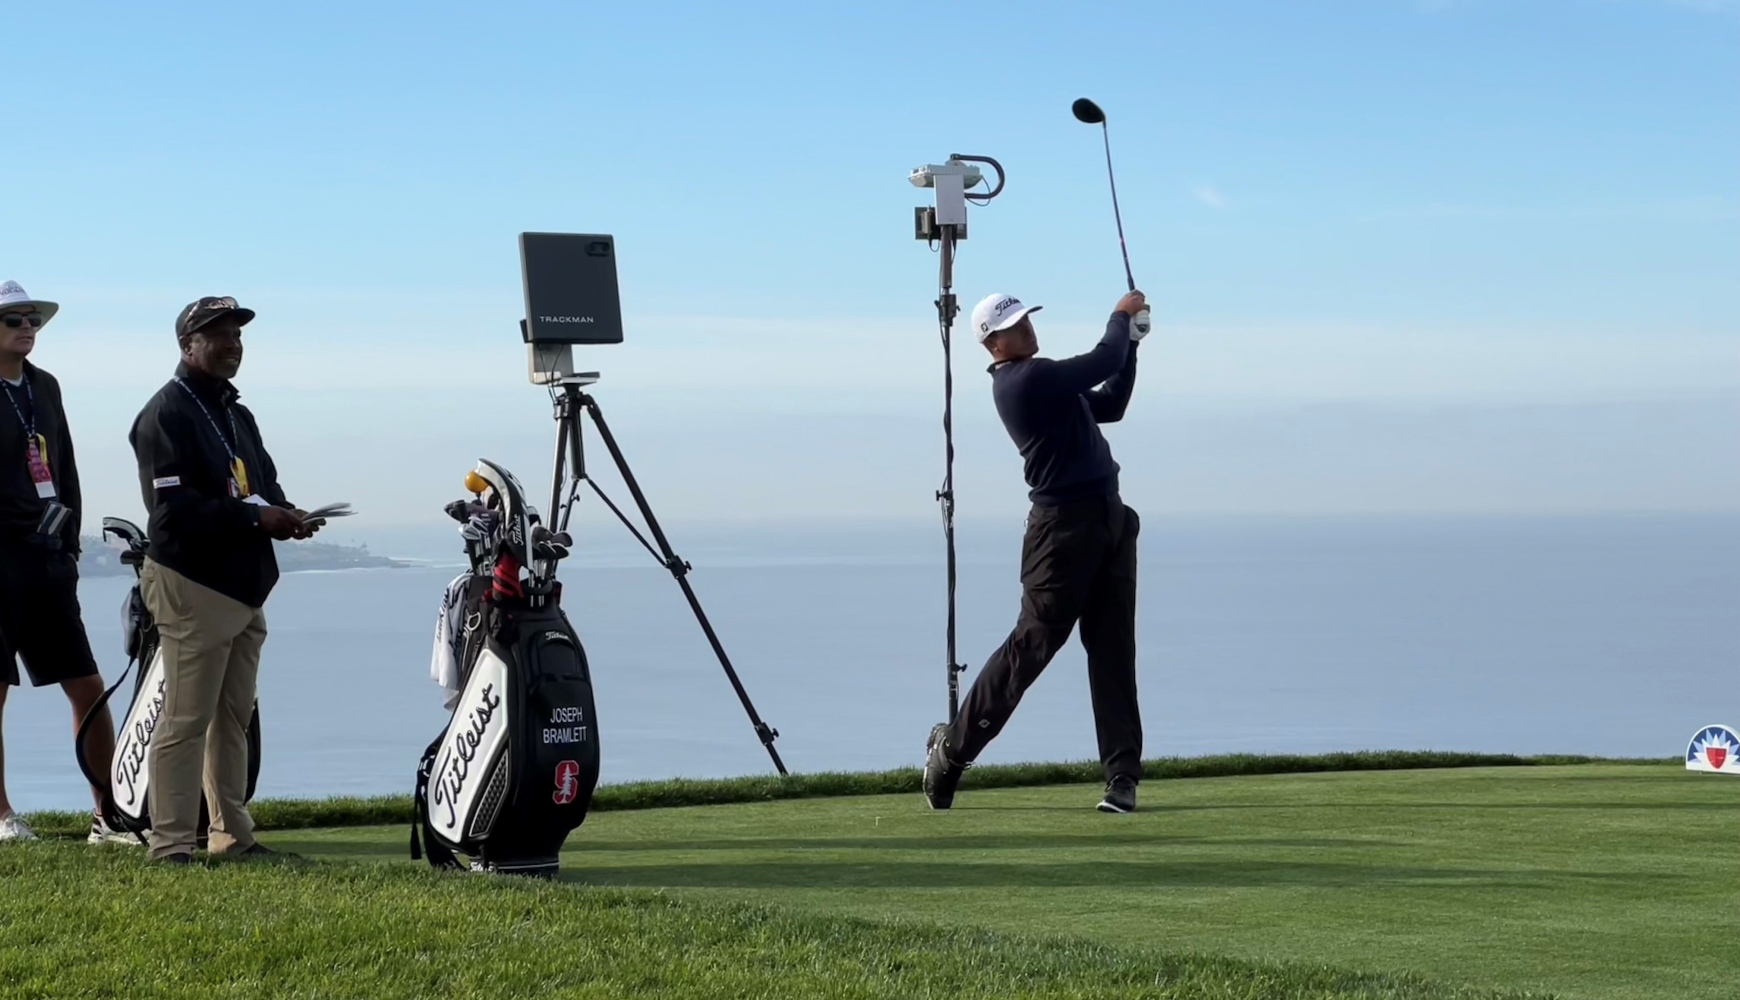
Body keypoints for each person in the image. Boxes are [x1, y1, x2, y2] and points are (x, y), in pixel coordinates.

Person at [924, 289, 1150, 814]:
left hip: (1109, 520)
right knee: (1030, 649)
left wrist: (1132, 343)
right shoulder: (1025, 381)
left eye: (1026, 319)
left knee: (1114, 650)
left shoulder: (1046, 383)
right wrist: (1121, 317)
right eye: (1014, 325)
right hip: (1061, 533)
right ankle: (952, 753)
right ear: (992, 343)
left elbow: (1111, 402)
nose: (1026, 328)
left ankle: (1122, 777)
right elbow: (1102, 360)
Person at [128, 296, 319, 864]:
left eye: (237, 334)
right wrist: (256, 518)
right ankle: (169, 845)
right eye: (218, 334)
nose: (232, 343)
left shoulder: (236, 412)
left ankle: (232, 837)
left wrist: (287, 514)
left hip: (242, 585)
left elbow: (261, 483)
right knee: (187, 719)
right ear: (187, 345)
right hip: (193, 583)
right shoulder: (167, 413)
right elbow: (171, 512)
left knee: (233, 717)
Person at [0, 280, 127, 844]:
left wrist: (69, 542)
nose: (27, 327)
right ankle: (2, 818)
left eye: (32, 320)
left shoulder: (44, 386)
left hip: (50, 559)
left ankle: (108, 814)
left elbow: (65, 464)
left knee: (88, 684)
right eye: (13, 320)